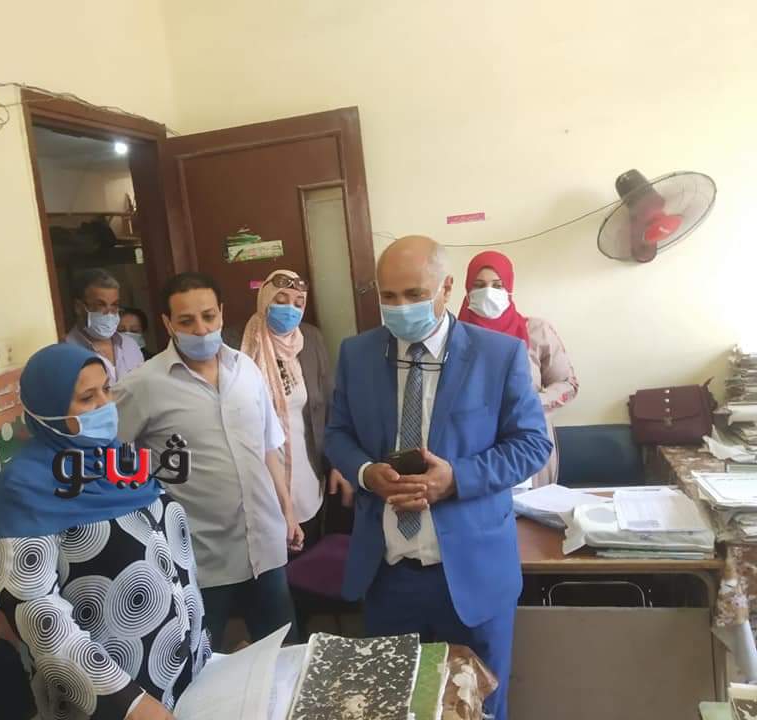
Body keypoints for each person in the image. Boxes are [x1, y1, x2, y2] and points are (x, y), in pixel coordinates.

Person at [324, 235, 552, 720]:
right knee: (393, 708)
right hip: (387, 577)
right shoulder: (358, 354)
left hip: (471, 578)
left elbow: (533, 444)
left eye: (414, 294)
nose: (400, 307)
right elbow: (337, 434)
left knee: (476, 709)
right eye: (388, 296)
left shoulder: (498, 355)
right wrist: (365, 473)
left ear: (447, 288)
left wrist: (456, 479)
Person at [0, 344, 207, 720]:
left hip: (187, 674)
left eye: (106, 389)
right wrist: (129, 703)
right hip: (119, 700)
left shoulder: (119, 461)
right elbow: (42, 620)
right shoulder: (25, 491)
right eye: (87, 397)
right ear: (48, 411)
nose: (105, 405)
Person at [114, 272, 301, 651]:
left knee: (284, 655)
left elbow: (269, 447)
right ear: (168, 323)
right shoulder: (143, 385)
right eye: (186, 321)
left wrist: (287, 510)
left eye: (208, 316)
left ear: (221, 313)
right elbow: (111, 460)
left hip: (265, 546)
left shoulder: (246, 369)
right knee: (203, 665)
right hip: (199, 559)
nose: (201, 329)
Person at [240, 269, 353, 544]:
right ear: (265, 298)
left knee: (309, 547)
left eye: (298, 302)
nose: (289, 309)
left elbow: (329, 405)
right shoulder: (238, 342)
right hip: (258, 470)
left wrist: (337, 462)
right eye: (280, 300)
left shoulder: (311, 339)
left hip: (306, 468)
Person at [458, 250, 579, 487]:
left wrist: (529, 403)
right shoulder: (454, 336)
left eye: (497, 285)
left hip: (527, 439)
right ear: (467, 289)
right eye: (479, 285)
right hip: (472, 445)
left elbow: (568, 384)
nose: (488, 293)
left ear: (510, 288)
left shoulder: (536, 331)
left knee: (532, 506)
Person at [65, 268, 144, 383]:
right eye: (101, 305)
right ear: (79, 307)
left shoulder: (130, 345)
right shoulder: (67, 353)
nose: (109, 313)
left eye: (114, 305)